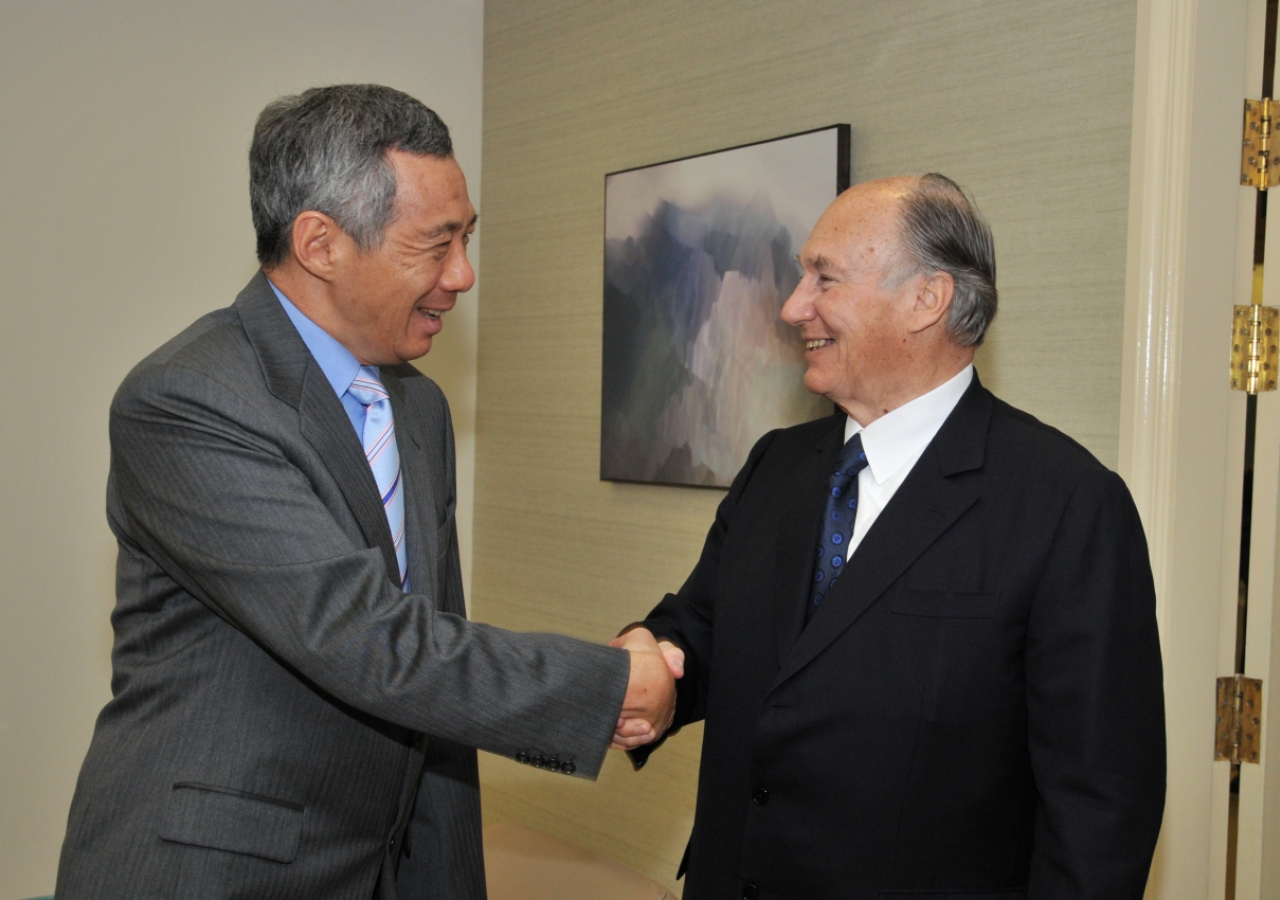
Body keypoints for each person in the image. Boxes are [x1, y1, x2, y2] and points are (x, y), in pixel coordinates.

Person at [56, 84, 676, 900]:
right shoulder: (189, 399)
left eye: (468, 237)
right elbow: (364, 638)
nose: (464, 274)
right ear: (320, 243)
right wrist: (608, 686)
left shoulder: (417, 407)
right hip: (210, 872)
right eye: (435, 243)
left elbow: (430, 663)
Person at [616, 174, 1166, 900]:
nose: (791, 306)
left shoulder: (1067, 506)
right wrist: (649, 655)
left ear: (925, 300)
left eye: (824, 278)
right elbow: (707, 627)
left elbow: (1100, 815)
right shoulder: (776, 467)